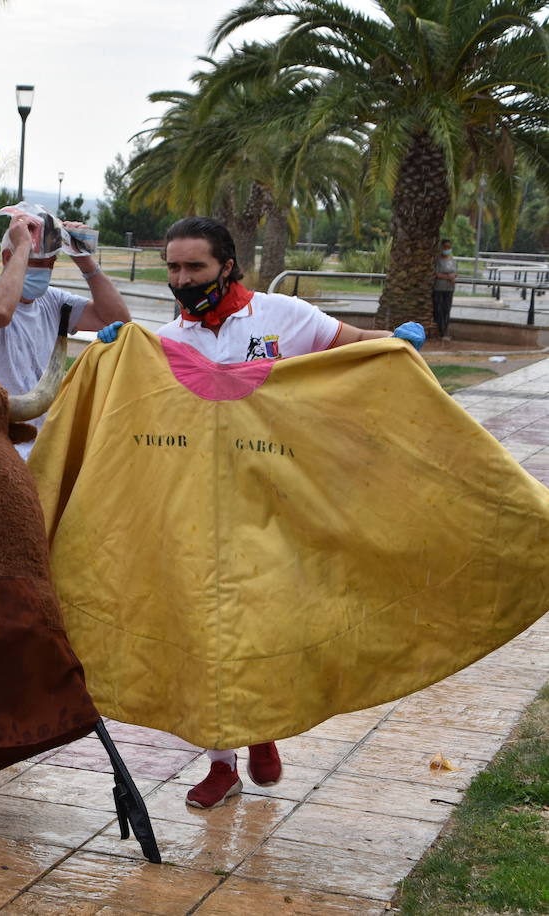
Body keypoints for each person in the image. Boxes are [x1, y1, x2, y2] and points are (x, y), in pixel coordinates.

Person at [102, 215, 425, 809]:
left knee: (267, 619)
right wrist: (114, 363)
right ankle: (221, 762)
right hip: (196, 509)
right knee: (203, 627)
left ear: (227, 265)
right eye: (172, 268)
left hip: (277, 503)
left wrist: (395, 342)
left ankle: (263, 725)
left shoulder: (283, 316)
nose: (181, 279)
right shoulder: (169, 339)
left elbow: (352, 346)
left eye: (194, 267)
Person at [0, 209, 132, 458]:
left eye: (50, 264)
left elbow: (117, 318)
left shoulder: (53, 301)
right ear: (8, 257)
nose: (44, 272)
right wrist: (22, 248)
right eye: (37, 263)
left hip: (42, 449)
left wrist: (84, 260)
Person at [433, 238, 457, 340]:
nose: (447, 249)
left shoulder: (452, 260)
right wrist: (448, 277)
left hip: (449, 289)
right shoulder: (437, 260)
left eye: (449, 247)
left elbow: (455, 272)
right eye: (445, 247)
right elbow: (436, 274)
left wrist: (453, 277)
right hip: (439, 289)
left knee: (447, 309)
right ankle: (440, 331)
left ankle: (445, 331)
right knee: (439, 310)